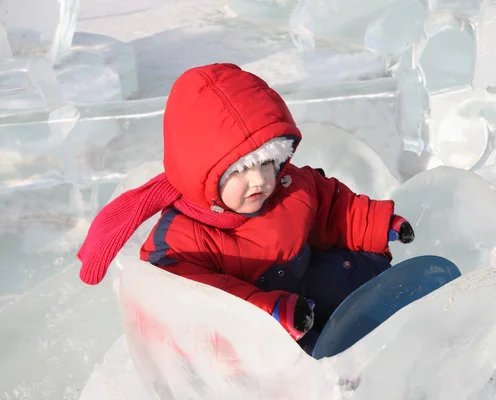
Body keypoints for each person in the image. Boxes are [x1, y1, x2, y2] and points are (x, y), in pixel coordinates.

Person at [77, 63, 415, 354]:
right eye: (239, 170)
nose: (259, 181)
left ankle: (389, 311)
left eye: (267, 162)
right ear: (202, 172)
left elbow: (333, 208)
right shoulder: (181, 241)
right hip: (251, 346)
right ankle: (329, 371)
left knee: (343, 270)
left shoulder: (289, 189)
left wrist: (377, 223)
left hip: (300, 296)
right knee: (287, 354)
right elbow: (205, 303)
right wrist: (268, 314)